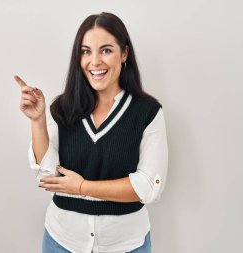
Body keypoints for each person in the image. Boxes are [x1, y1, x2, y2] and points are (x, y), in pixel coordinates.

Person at [14, 12, 168, 253]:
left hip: (126, 245)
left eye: (106, 50)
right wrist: (37, 121)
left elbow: (148, 187)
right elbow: (48, 175)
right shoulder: (62, 108)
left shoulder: (147, 113)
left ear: (124, 53)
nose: (94, 61)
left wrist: (82, 187)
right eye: (85, 51)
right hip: (62, 242)